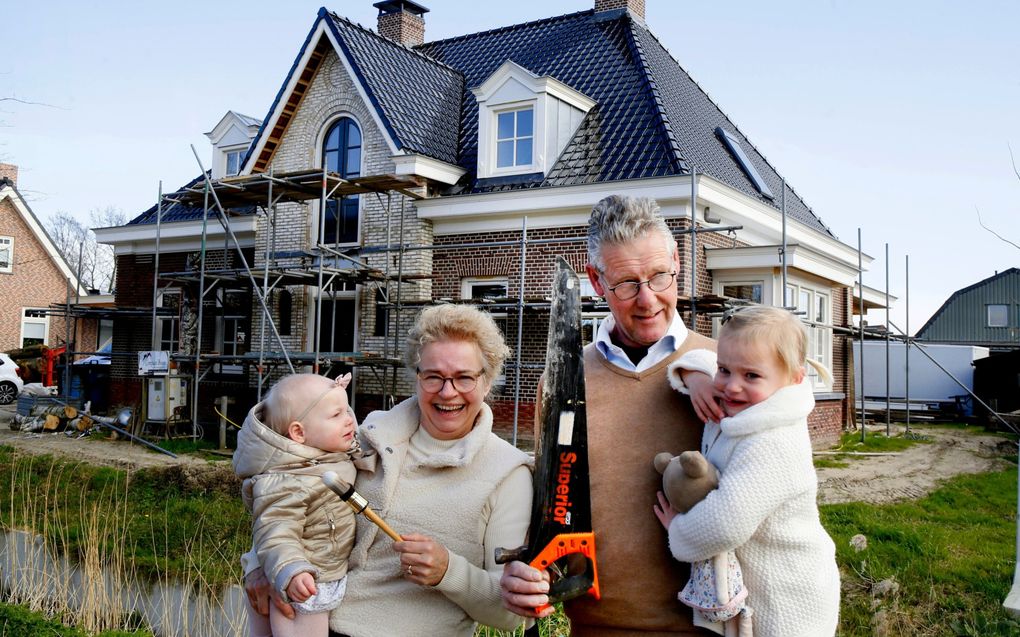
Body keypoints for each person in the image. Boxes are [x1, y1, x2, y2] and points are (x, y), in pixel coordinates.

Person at [500, 194, 723, 636]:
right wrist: (526, 572)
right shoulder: (563, 381)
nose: (647, 299)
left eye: (660, 275)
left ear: (677, 260)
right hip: (595, 628)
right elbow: (549, 506)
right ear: (596, 281)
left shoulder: (724, 373)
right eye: (626, 283)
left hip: (710, 628)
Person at [245, 303, 533, 637]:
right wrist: (259, 566)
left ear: (487, 381)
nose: (447, 391)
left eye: (464, 378)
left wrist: (448, 572)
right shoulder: (369, 435)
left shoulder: (508, 472)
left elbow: (511, 612)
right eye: (433, 376)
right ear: (416, 376)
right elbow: (289, 490)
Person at [656, 305, 840, 636]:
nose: (731, 387)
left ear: (794, 378)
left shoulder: (774, 442)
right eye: (724, 370)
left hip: (788, 602)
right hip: (760, 590)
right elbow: (703, 357)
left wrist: (678, 531)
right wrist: (696, 378)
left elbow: (726, 522)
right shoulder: (748, 408)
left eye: (751, 376)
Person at [233, 372, 361, 637]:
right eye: (336, 415)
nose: (350, 419)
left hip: (315, 576)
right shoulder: (289, 479)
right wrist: (291, 571)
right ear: (299, 433)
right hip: (303, 586)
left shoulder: (325, 456)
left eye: (347, 410)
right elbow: (275, 530)